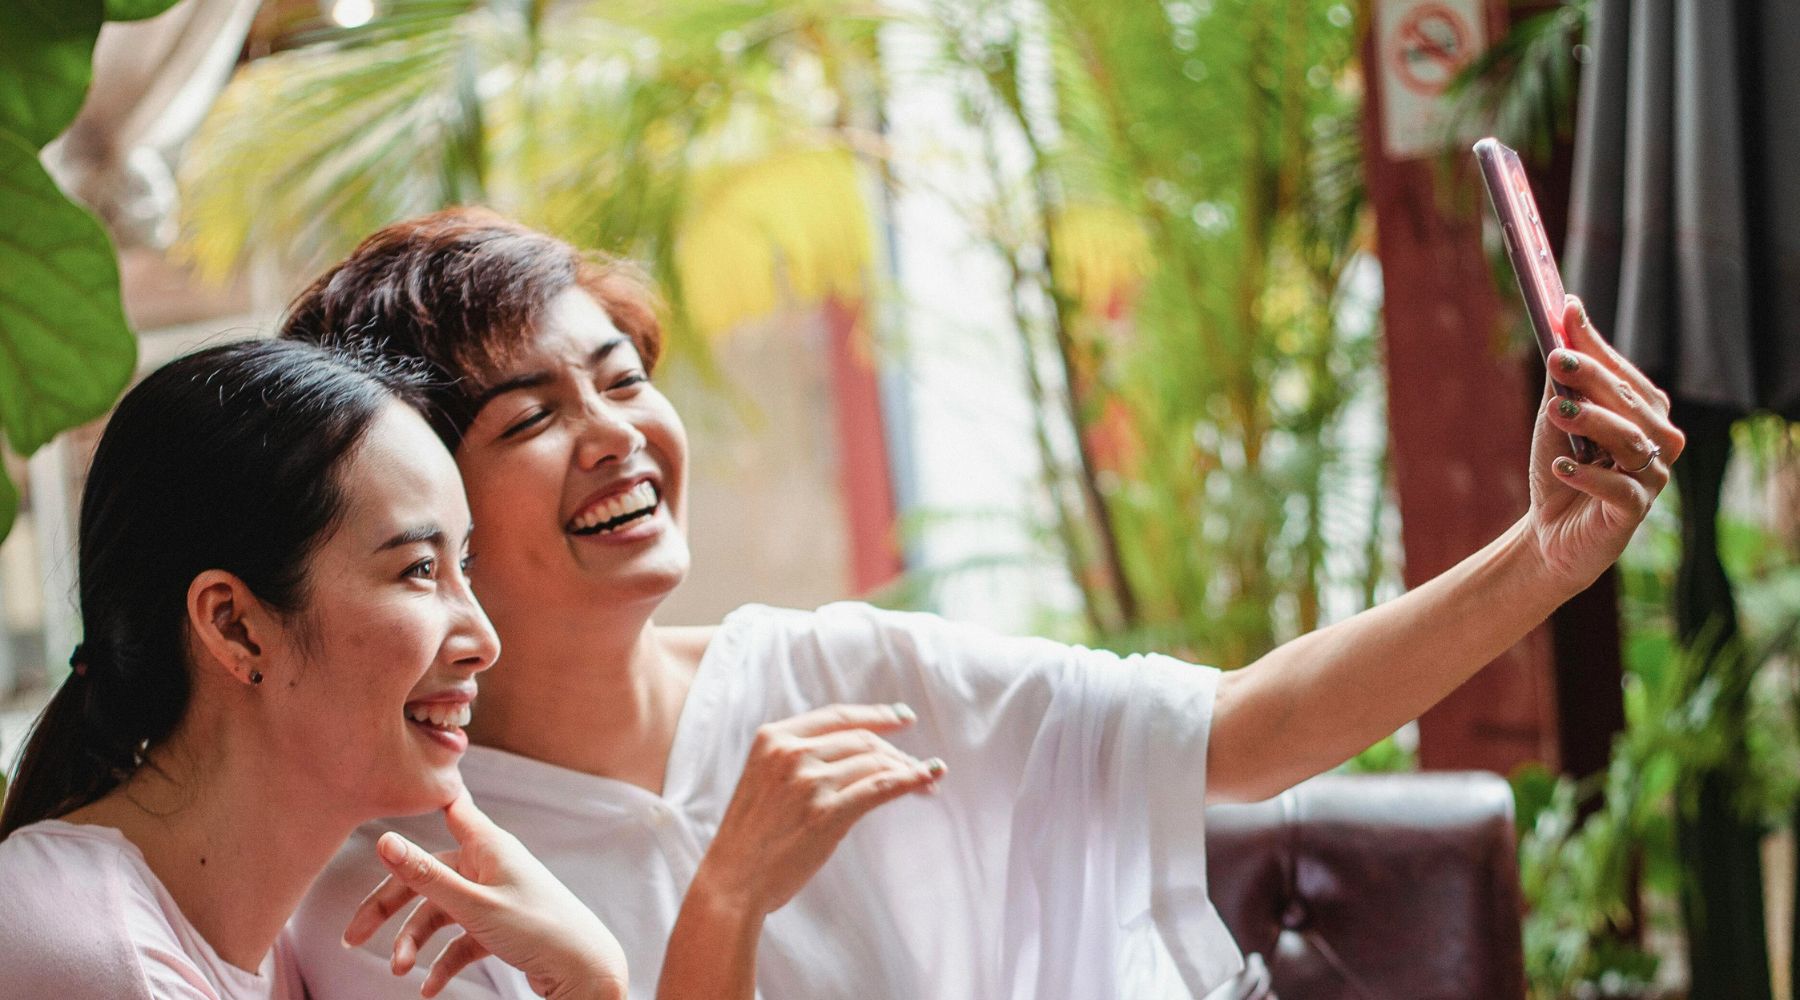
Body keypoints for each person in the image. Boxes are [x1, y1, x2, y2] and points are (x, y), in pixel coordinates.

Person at [283, 208, 1684, 1000]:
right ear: (419, 503)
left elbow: (1245, 732)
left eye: (625, 377)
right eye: (532, 415)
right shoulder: (396, 881)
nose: (616, 435)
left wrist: (1544, 556)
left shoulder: (837, 668)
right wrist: (726, 899)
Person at [0, 341, 633, 1000]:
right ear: (234, 627)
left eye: (463, 567)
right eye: (419, 569)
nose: (483, 641)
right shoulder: (96, 956)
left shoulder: (280, 946)